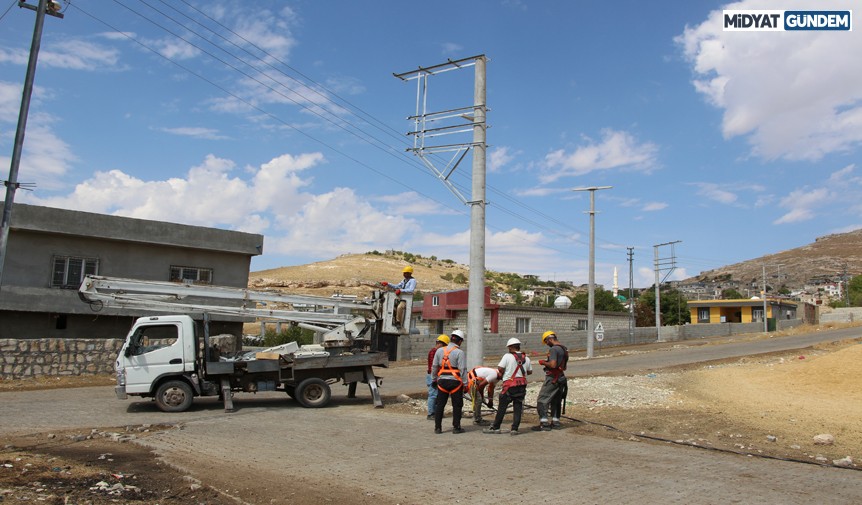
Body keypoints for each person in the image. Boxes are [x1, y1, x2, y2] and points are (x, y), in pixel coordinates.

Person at [483, 337, 532, 435]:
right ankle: (514, 429)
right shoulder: (526, 358)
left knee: (502, 407)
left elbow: (500, 368)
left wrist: (506, 373)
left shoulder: (507, 356)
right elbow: (529, 372)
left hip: (509, 386)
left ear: (510, 347)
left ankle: (496, 427)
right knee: (518, 407)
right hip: (521, 386)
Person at [431, 329, 467, 434]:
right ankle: (456, 427)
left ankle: (438, 428)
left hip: (442, 382)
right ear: (460, 341)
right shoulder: (460, 352)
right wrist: (465, 384)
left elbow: (434, 366)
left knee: (440, 405)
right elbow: (463, 369)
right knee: (457, 405)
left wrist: (434, 379)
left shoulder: (439, 351)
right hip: (455, 382)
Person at [531, 330, 569, 432]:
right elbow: (564, 366)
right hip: (561, 378)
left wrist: (543, 362)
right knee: (556, 400)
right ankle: (556, 421)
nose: (547, 344)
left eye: (546, 342)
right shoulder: (564, 349)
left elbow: (553, 365)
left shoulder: (554, 349)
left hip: (553, 378)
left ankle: (544, 423)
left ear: (550, 339)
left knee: (542, 399)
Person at [426, 334, 448, 420]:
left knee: (438, 395)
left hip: (437, 376)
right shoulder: (433, 352)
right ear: (441, 344)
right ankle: (431, 414)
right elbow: (433, 367)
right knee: (433, 395)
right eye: (445, 345)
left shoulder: (438, 352)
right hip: (433, 376)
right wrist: (434, 379)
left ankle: (436, 413)